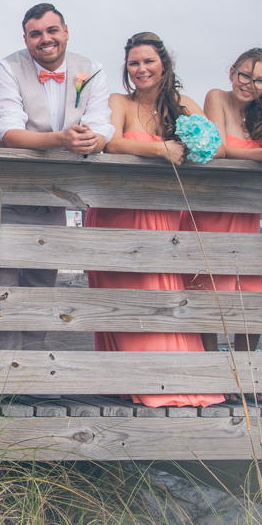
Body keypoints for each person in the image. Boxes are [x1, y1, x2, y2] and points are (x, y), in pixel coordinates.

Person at [85, 31, 224, 408]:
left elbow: (215, 143)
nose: (141, 69)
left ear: (164, 64)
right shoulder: (119, 102)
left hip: (163, 213)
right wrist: (160, 148)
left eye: (148, 61)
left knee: (160, 292)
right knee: (124, 298)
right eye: (134, 63)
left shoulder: (185, 105)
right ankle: (128, 381)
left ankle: (171, 381)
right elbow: (112, 142)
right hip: (118, 212)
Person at [0, 3, 114, 354]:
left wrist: (94, 141)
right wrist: (62, 140)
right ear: (25, 38)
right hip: (4, 193)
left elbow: (101, 120)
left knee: (42, 284)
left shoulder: (92, 70)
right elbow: (8, 129)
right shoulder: (6, 69)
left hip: (58, 196)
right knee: (3, 286)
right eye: (36, 33)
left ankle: (29, 377)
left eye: (52, 30)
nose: (45, 39)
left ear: (66, 31)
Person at [181, 48, 262, 356]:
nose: (248, 84)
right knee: (207, 289)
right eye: (244, 75)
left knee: (253, 292)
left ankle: (245, 369)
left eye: (259, 81)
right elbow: (222, 149)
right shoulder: (217, 97)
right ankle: (214, 368)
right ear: (232, 72)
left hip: (247, 213)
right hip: (212, 209)